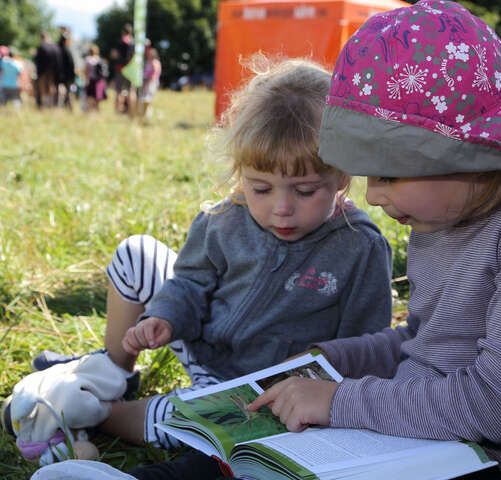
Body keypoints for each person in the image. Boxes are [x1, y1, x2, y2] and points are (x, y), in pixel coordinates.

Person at [246, 2, 501, 480]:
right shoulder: (444, 211)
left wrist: (342, 400)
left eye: (390, 174)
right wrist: (332, 358)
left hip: (490, 465)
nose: (373, 196)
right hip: (409, 445)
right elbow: (426, 343)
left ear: (470, 154)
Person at [18, 58, 392, 455]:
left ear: (342, 177)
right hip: (198, 342)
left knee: (190, 425)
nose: (281, 208)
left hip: (255, 390)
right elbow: (190, 283)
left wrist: (318, 380)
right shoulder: (225, 217)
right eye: (261, 188)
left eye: (304, 191)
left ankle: (94, 414)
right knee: (135, 253)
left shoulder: (360, 247)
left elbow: (366, 343)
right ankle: (114, 371)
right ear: (241, 172)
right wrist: (164, 316)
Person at [33, 31, 62, 108]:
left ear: (41, 38)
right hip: (53, 71)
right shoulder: (55, 47)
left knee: (42, 88)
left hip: (42, 71)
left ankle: (44, 105)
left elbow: (37, 60)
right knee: (51, 87)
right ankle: (51, 105)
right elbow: (58, 60)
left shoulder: (41, 47)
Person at [112, 23, 135, 114]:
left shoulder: (120, 41)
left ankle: (117, 111)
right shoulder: (134, 42)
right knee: (131, 90)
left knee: (119, 91)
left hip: (120, 68)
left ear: (123, 32)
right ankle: (131, 111)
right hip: (131, 69)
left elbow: (114, 54)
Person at [84, 44, 108, 112]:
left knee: (89, 99)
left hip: (92, 81)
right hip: (100, 81)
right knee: (97, 100)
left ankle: (89, 113)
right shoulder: (100, 59)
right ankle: (96, 113)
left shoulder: (88, 59)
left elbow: (86, 72)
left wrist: (86, 82)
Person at [140, 47, 161, 118]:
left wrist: (147, 80)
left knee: (147, 98)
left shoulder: (155, 62)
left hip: (151, 82)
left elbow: (154, 73)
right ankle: (145, 113)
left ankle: (145, 114)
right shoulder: (149, 62)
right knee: (145, 98)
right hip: (147, 81)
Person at [57, 28, 75, 110]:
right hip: (67, 76)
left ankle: (61, 107)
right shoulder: (67, 51)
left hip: (59, 76)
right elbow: (71, 64)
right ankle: (68, 107)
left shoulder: (57, 50)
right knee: (67, 93)